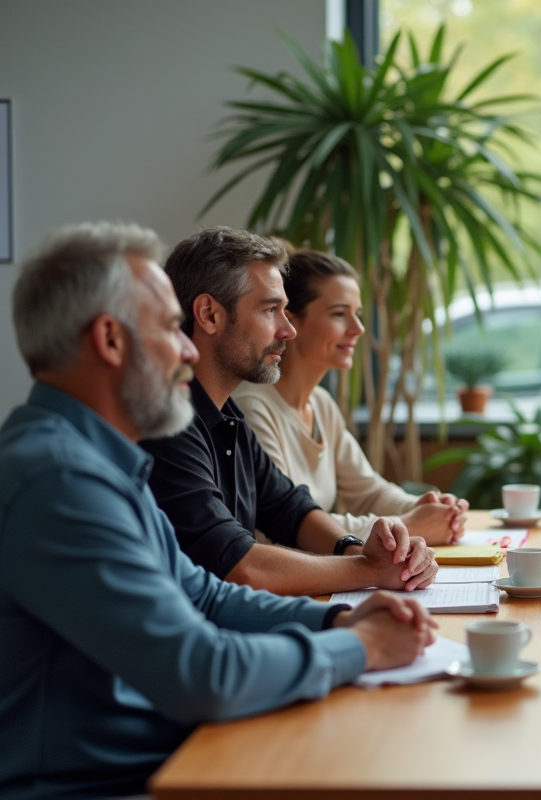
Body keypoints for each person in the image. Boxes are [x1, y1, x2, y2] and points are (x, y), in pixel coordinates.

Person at [0, 223, 436, 799]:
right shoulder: (59, 480)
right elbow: (200, 672)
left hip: (167, 759)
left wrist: (337, 621)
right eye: (168, 327)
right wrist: (363, 647)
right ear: (110, 339)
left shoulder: (101, 459)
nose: (187, 350)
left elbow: (205, 597)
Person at [140, 227, 436, 596]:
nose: (288, 330)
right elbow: (238, 567)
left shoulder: (227, 414)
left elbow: (289, 509)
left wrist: (355, 549)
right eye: (270, 310)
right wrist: (369, 568)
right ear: (209, 315)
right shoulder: (166, 423)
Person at [232, 249, 468, 546]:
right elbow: (285, 527)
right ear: (289, 323)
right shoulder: (251, 407)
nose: (358, 329)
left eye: (358, 314)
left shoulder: (321, 404)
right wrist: (407, 525)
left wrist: (426, 507)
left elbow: (368, 491)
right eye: (339, 314)